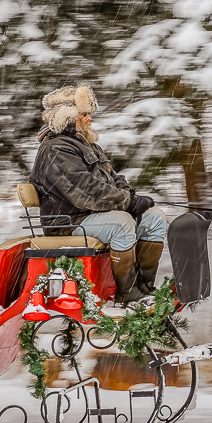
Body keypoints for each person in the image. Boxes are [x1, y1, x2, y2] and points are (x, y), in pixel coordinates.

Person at [31, 85, 167, 302]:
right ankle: (129, 295)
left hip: (91, 215)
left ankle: (145, 289)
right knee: (122, 223)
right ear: (67, 117)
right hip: (69, 222)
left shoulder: (87, 145)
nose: (89, 118)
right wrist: (127, 203)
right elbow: (85, 190)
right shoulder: (56, 149)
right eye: (84, 114)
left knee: (154, 218)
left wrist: (131, 197)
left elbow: (113, 178)